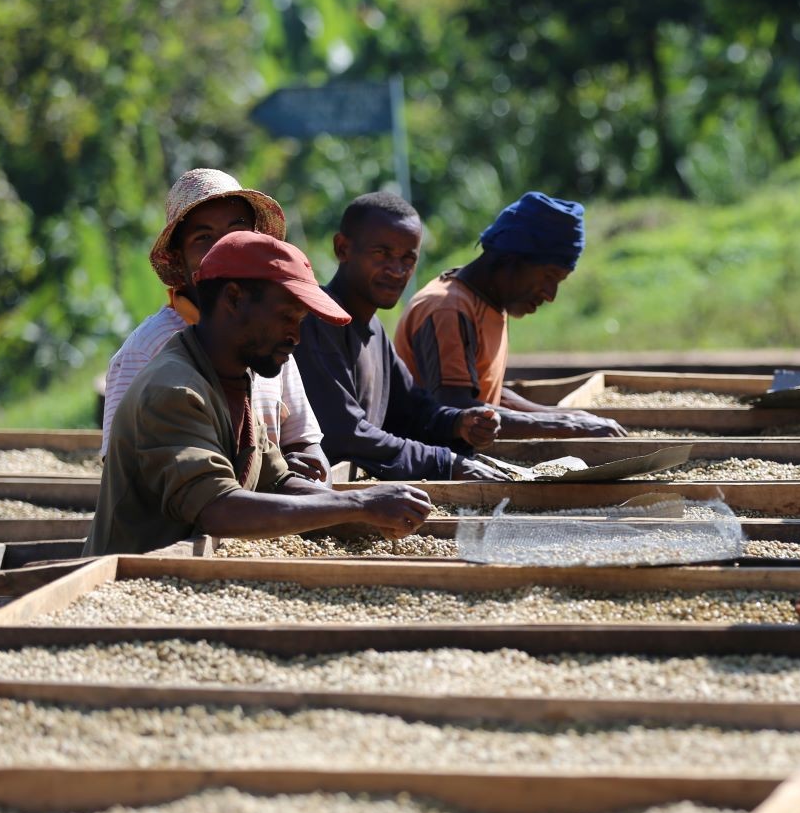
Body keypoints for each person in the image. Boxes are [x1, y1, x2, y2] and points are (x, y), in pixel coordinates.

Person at [87, 232, 434, 556]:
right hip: (138, 583)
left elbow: (276, 481)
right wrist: (361, 505)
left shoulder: (237, 377)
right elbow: (218, 509)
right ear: (234, 299)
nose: (296, 337)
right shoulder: (175, 390)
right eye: (286, 317)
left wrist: (368, 513)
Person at [102, 169, 330, 481]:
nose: (225, 248)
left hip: (273, 516)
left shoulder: (270, 337)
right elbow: (123, 471)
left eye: (237, 231)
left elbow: (306, 444)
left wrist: (308, 483)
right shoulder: (147, 350)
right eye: (203, 238)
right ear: (178, 259)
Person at [296, 193, 506, 481]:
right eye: (381, 254)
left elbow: (412, 412)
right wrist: (446, 462)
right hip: (316, 497)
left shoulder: (374, 330)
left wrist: (459, 424)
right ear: (342, 248)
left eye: (408, 259)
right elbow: (345, 433)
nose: (397, 271)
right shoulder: (318, 321)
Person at [394, 192, 626, 439]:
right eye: (549, 277)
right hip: (426, 466)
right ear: (511, 260)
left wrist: (561, 415)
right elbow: (458, 408)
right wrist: (565, 425)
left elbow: (484, 394)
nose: (550, 295)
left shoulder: (486, 304)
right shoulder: (448, 309)